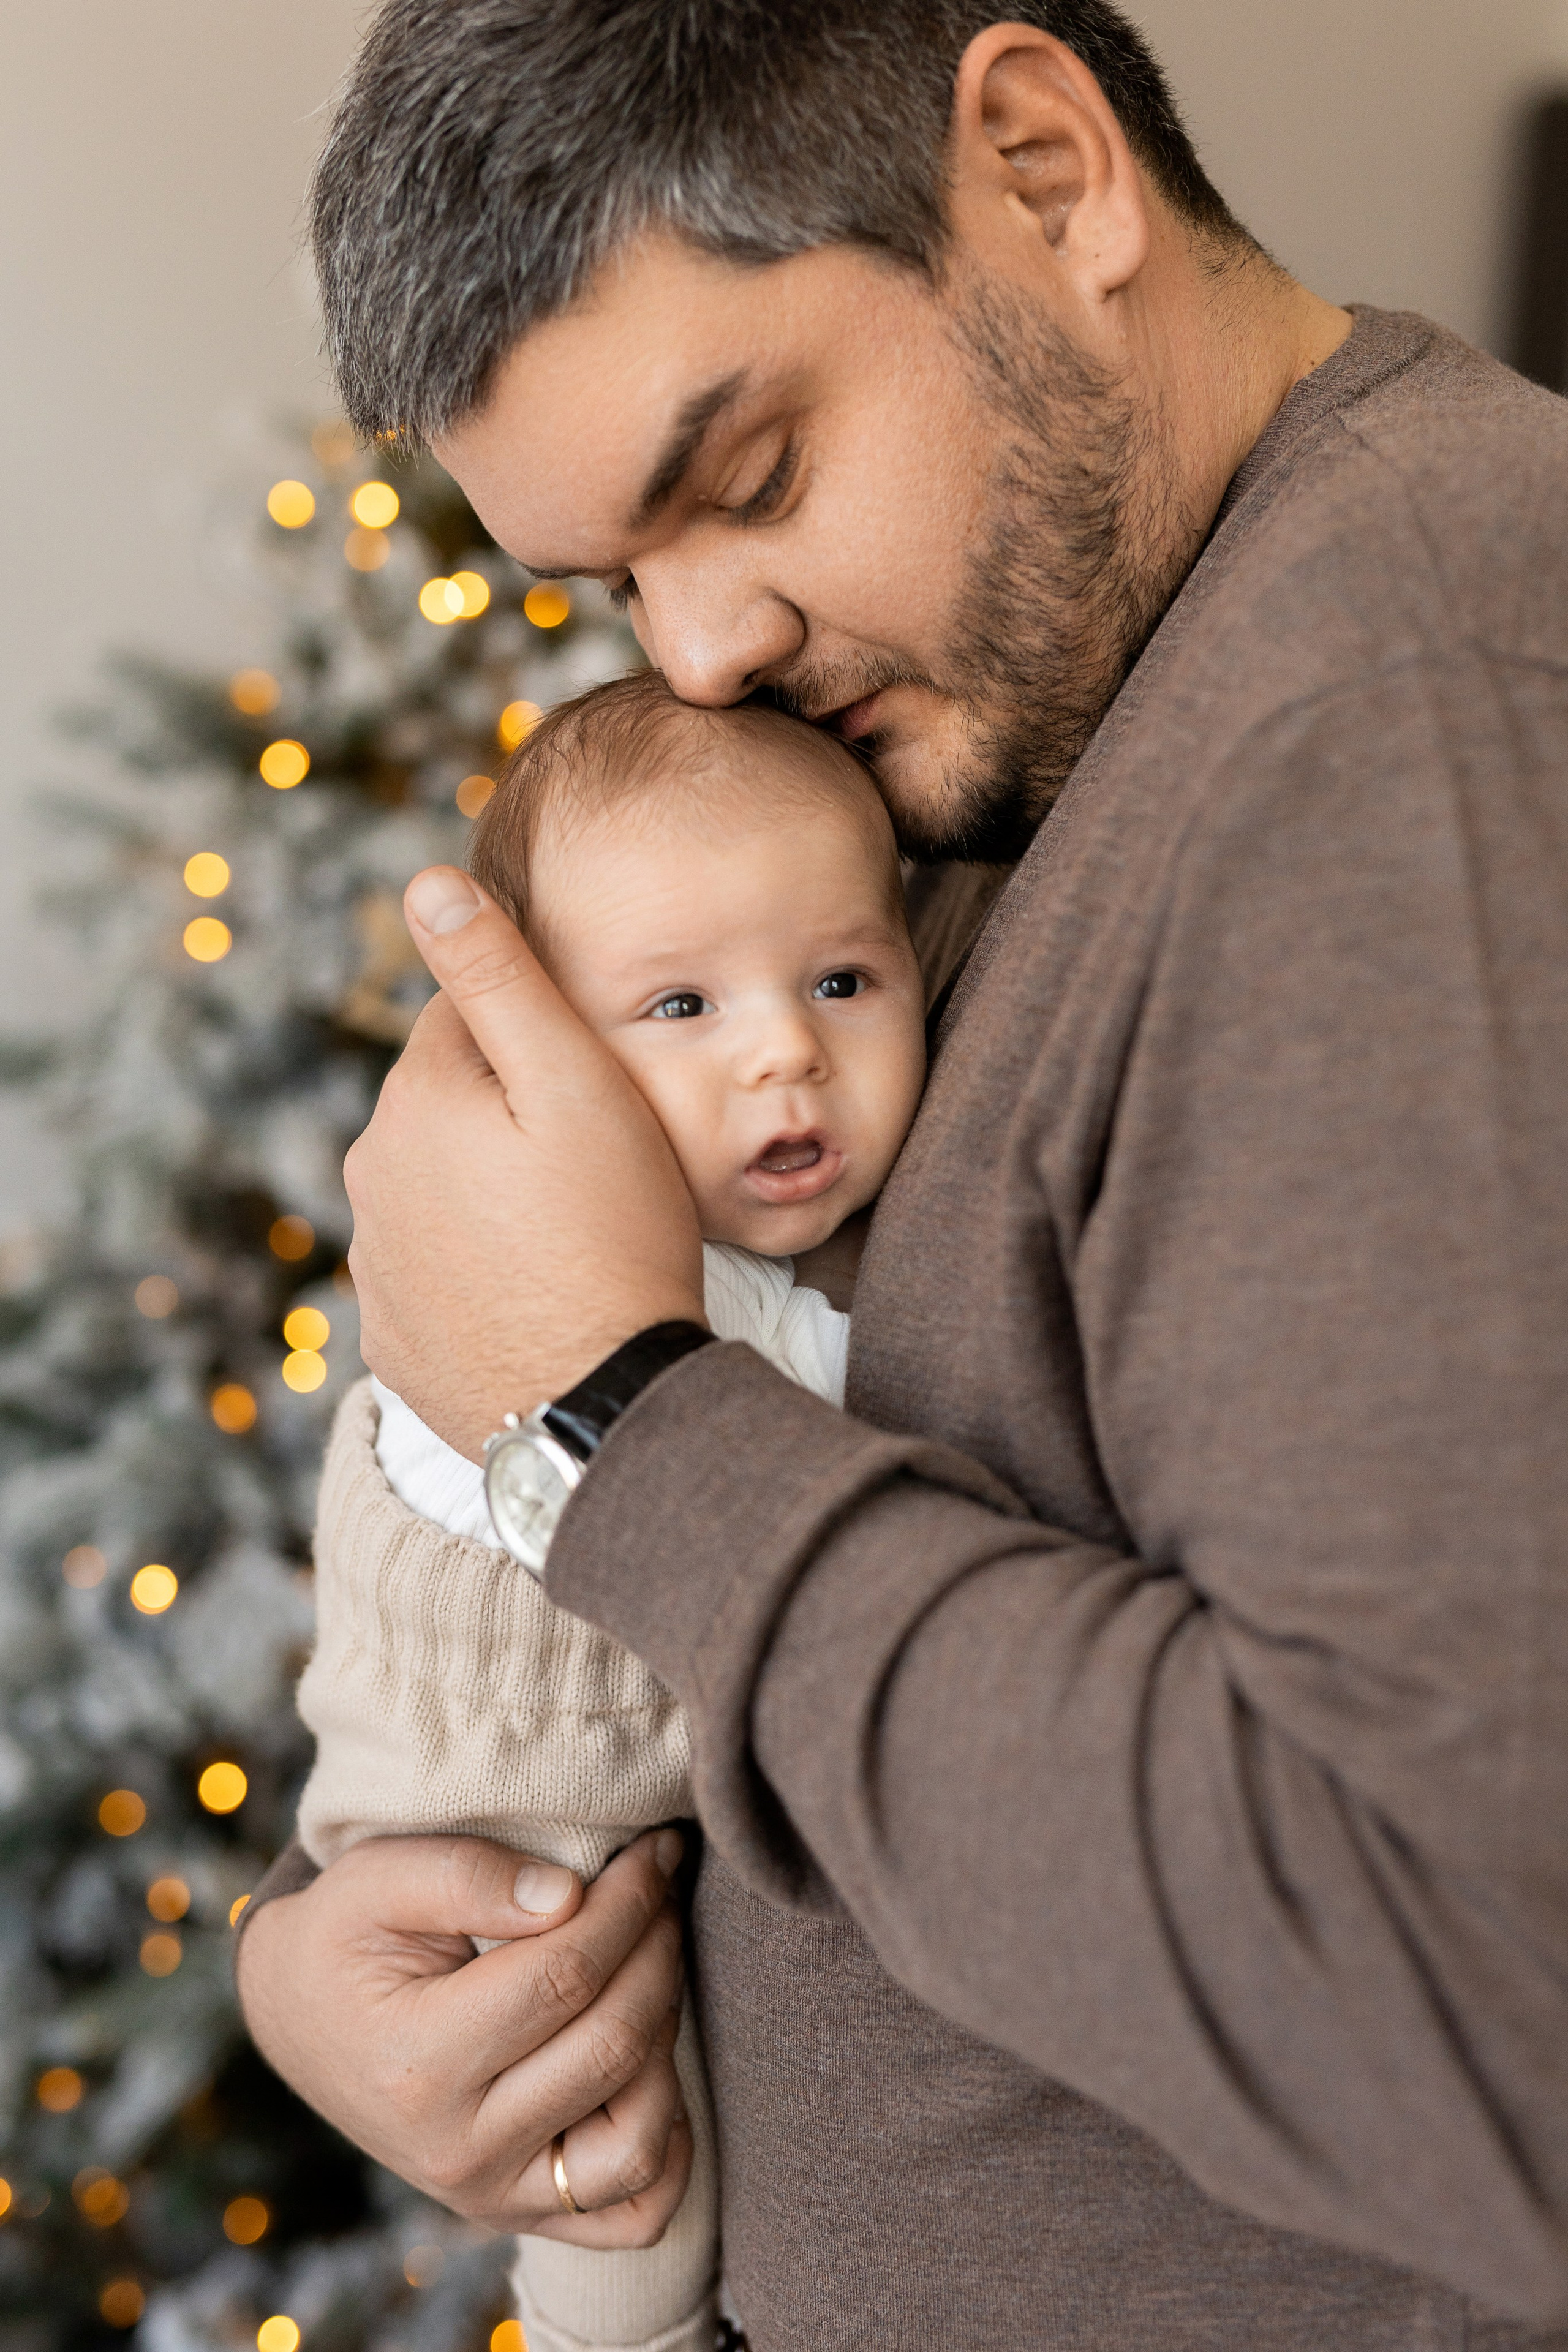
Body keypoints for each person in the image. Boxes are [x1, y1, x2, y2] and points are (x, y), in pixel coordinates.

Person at [238, 2, 1568, 2345]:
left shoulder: (1403, 716)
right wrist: (369, 1942)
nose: (705, 652)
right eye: (608, 583)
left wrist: (613, 1418)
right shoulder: (1043, 720)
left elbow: (1473, 1985)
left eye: (742, 478)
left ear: (1052, 173)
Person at [292, 673, 925, 2352]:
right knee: (617, 2185)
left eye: (846, 979)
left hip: (626, 1746)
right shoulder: (568, 1254)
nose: (787, 1049)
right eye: (682, 1008)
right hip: (510, 1779)